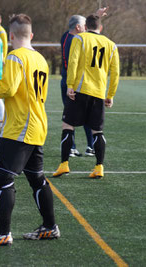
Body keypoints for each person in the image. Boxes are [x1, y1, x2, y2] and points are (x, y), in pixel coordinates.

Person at [0, 14, 59, 246]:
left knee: (4, 178)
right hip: (38, 126)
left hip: (19, 128)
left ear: (10, 36)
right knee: (37, 179)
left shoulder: (14, 57)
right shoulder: (41, 59)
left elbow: (8, 88)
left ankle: (3, 233)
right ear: (31, 35)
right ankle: (50, 227)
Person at [54, 15, 120, 179]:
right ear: (101, 28)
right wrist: (110, 94)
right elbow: (116, 73)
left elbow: (73, 62)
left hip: (79, 90)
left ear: (86, 26)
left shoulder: (80, 39)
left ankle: (64, 164)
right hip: (98, 93)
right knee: (97, 130)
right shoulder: (111, 45)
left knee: (68, 125)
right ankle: (99, 167)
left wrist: (70, 85)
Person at [59, 15, 95, 158]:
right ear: (78, 27)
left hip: (68, 82)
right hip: (74, 83)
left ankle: (73, 147)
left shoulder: (65, 36)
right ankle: (89, 146)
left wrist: (96, 16)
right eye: (84, 25)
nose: (86, 28)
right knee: (84, 115)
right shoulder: (77, 40)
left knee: (71, 117)